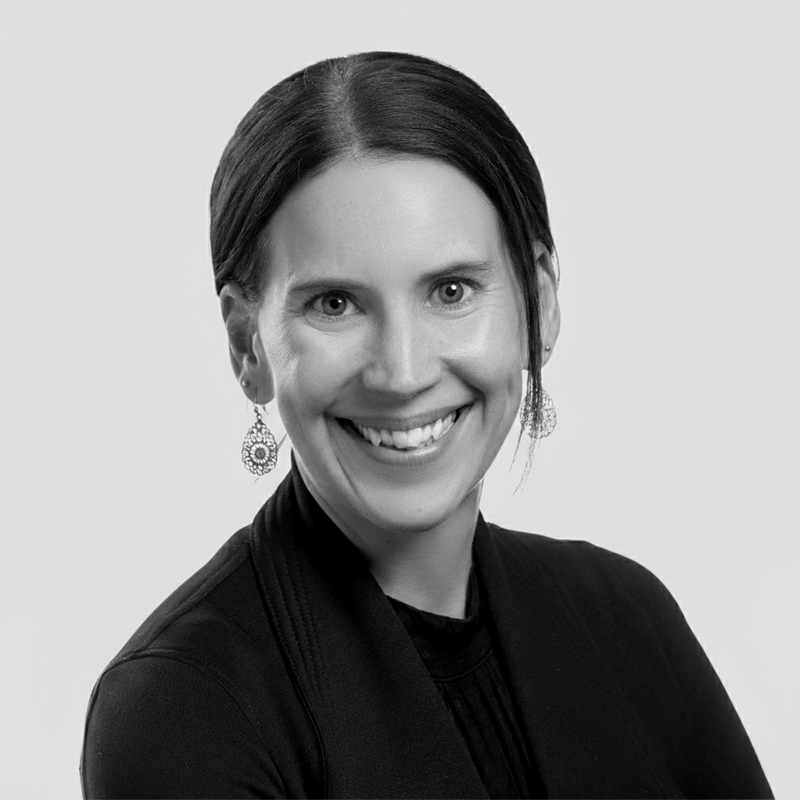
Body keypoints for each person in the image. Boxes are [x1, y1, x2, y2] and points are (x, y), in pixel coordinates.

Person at [80, 51, 772, 799]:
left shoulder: (627, 615)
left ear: (537, 302)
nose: (403, 372)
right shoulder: (182, 707)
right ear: (249, 343)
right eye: (334, 304)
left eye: (450, 290)